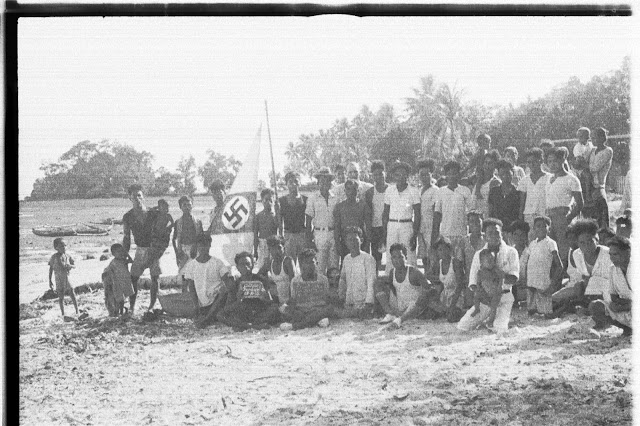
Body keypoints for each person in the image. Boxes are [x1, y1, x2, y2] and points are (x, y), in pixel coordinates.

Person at [457, 218, 519, 334]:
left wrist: (502, 275)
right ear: (485, 236)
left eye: (497, 233)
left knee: (498, 329)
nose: (494, 236)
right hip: (484, 299)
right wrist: (483, 296)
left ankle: (505, 319)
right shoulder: (478, 255)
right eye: (490, 233)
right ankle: (489, 318)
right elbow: (473, 283)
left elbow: (514, 278)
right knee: (463, 326)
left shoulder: (511, 252)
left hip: (503, 297)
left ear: (502, 234)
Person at [551, 219, 612, 312]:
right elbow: (585, 278)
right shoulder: (577, 254)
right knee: (553, 299)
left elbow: (611, 282)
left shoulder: (608, 254)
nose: (586, 246)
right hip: (588, 290)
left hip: (609, 291)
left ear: (597, 240)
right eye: (582, 243)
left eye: (590, 241)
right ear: (578, 243)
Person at [122, 184, 163, 313]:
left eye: (139, 195)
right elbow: (126, 237)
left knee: (155, 277)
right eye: (134, 196)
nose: (137, 198)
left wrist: (159, 250)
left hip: (153, 248)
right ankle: (132, 307)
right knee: (133, 278)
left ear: (143, 196)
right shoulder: (128, 217)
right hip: (140, 249)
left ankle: (151, 305)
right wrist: (124, 255)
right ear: (130, 198)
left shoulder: (153, 213)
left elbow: (163, 232)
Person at [217, 252, 280, 331]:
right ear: (238, 268)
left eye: (247, 264)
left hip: (258, 312)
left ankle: (246, 325)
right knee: (220, 315)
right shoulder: (235, 284)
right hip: (243, 313)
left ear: (252, 265)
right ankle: (252, 326)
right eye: (242, 264)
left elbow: (270, 303)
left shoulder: (261, 280)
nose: (245, 267)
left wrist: (265, 297)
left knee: (275, 308)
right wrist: (238, 300)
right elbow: (227, 307)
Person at [182, 233, 234, 328]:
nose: (203, 248)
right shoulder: (191, 265)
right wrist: (196, 306)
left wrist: (227, 287)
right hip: (204, 304)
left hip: (218, 300)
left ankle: (206, 320)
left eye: (206, 245)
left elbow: (227, 281)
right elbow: (191, 287)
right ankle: (208, 317)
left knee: (223, 293)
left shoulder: (217, 263)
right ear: (197, 246)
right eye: (201, 245)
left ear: (210, 245)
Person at [376, 243, 432, 328]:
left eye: (400, 257)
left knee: (421, 298)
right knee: (378, 283)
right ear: (391, 259)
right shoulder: (392, 272)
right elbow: (392, 287)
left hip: (414, 308)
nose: (397, 260)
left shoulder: (414, 272)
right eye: (394, 257)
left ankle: (399, 320)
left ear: (406, 257)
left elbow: (428, 287)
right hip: (400, 306)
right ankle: (390, 313)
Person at [545, 147, 583, 264]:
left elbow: (580, 203)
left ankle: (565, 275)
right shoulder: (550, 178)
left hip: (563, 217)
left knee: (564, 249)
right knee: (551, 249)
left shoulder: (571, 179)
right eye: (549, 161)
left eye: (555, 161)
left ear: (562, 160)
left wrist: (568, 218)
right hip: (549, 218)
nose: (552, 164)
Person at [279, 249, 333, 331]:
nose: (310, 266)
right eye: (307, 263)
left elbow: (326, 299)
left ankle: (295, 326)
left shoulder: (323, 279)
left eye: (312, 262)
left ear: (316, 263)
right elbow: (293, 300)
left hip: (317, 309)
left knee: (325, 310)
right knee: (290, 311)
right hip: (302, 310)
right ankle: (315, 321)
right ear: (302, 265)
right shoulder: (295, 280)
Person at [382, 161, 421, 273]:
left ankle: (412, 281)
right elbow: (385, 213)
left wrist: (415, 235)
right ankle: (390, 284)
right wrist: (385, 233)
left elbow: (418, 214)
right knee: (391, 256)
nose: (401, 177)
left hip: (407, 225)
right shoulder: (389, 190)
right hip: (392, 225)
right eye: (397, 175)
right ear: (394, 176)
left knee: (409, 256)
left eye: (404, 174)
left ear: (407, 176)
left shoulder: (413, 191)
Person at [588, 236, 631, 336]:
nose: (612, 258)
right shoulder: (612, 269)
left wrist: (624, 306)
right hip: (627, 308)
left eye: (615, 254)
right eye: (610, 255)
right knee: (596, 306)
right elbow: (613, 296)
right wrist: (620, 305)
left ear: (628, 252)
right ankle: (628, 329)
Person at [433, 161, 473, 265]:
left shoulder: (465, 190)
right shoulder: (440, 191)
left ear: (459, 175)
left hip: (461, 234)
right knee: (447, 263)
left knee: (460, 263)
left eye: (455, 173)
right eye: (450, 173)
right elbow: (437, 214)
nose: (452, 176)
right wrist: (435, 235)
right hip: (446, 235)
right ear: (446, 176)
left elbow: (471, 212)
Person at [525, 216, 563, 317]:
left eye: (544, 226)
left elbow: (559, 266)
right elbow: (528, 262)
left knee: (545, 311)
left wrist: (552, 284)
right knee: (531, 310)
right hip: (531, 281)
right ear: (534, 229)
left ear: (549, 229)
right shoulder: (532, 244)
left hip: (543, 281)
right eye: (538, 226)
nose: (541, 228)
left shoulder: (550, 243)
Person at [305, 167, 339, 275]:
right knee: (319, 268)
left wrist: (338, 237)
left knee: (334, 267)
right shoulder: (313, 198)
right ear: (318, 182)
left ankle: (333, 291)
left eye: (327, 180)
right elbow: (308, 219)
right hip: (319, 234)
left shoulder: (336, 198)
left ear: (331, 182)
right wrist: (309, 240)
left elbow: (338, 219)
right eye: (322, 180)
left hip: (333, 233)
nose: (325, 183)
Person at [338, 227, 377, 318]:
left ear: (361, 240)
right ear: (346, 243)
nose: (352, 243)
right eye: (349, 240)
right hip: (350, 303)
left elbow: (371, 282)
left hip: (364, 304)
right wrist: (341, 297)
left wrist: (368, 304)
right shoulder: (346, 258)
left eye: (355, 240)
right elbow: (343, 279)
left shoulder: (368, 258)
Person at [426, 237, 466, 322]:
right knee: (429, 310)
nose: (442, 252)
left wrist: (452, 305)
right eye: (440, 250)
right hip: (445, 295)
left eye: (445, 249)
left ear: (449, 250)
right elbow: (428, 275)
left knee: (452, 317)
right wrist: (437, 281)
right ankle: (446, 311)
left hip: (457, 296)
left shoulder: (455, 263)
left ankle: (457, 311)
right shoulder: (438, 263)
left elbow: (460, 286)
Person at [278, 171, 311, 265]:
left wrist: (309, 236)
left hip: (302, 235)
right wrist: (282, 237)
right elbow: (279, 222)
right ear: (286, 184)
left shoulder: (305, 200)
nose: (294, 184)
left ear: (300, 183)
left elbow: (309, 219)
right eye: (290, 182)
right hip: (289, 235)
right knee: (290, 263)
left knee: (304, 264)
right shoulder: (281, 201)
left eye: (296, 181)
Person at [334, 179, 372, 260]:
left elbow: (368, 226)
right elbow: (336, 227)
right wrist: (337, 244)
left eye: (354, 189)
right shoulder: (339, 207)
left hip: (360, 241)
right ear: (344, 191)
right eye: (348, 189)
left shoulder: (363, 206)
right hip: (345, 242)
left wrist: (367, 244)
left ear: (358, 191)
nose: (351, 192)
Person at [518, 148, 550, 240]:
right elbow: (522, 202)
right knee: (531, 242)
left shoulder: (549, 178)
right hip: (529, 217)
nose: (531, 165)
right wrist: (521, 219)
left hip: (544, 215)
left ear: (541, 161)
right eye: (529, 162)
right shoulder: (524, 180)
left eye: (534, 162)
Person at [173, 195, 204, 292]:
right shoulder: (178, 222)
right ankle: (184, 296)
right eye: (184, 205)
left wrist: (196, 247)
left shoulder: (197, 221)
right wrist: (177, 252)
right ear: (180, 207)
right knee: (184, 277)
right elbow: (174, 239)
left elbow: (201, 238)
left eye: (189, 205)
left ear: (192, 206)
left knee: (196, 277)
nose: (187, 207)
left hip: (195, 251)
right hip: (183, 250)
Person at [364, 160, 389, 271]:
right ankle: (376, 281)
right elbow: (368, 215)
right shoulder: (370, 193)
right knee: (376, 258)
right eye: (375, 174)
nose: (378, 176)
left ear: (385, 173)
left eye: (381, 173)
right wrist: (369, 232)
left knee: (392, 256)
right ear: (372, 176)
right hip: (375, 228)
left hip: (390, 226)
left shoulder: (391, 190)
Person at [258, 234, 296, 305]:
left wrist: (289, 303)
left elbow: (293, 284)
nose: (277, 251)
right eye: (273, 249)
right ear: (270, 250)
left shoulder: (288, 261)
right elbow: (258, 276)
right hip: (276, 301)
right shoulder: (269, 263)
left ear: (283, 248)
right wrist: (267, 283)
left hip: (289, 302)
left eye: (279, 248)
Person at [416, 158, 439, 273]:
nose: (424, 177)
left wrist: (435, 233)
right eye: (421, 175)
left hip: (431, 228)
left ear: (431, 174)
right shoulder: (419, 190)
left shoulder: (435, 191)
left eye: (426, 174)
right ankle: (427, 278)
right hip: (421, 228)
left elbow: (436, 213)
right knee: (424, 256)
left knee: (433, 257)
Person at [588, 127, 613, 228]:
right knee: (590, 218)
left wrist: (585, 166)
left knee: (601, 218)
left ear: (603, 138)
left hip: (598, 187)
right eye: (592, 138)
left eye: (596, 138)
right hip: (589, 186)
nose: (593, 141)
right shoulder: (592, 150)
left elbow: (594, 168)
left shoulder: (607, 151)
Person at [471, 249, 503, 329]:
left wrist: (499, 287)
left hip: (495, 293)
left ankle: (491, 320)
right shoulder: (480, 272)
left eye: (492, 260)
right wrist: (478, 289)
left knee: (493, 306)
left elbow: (501, 278)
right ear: (481, 262)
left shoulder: (496, 270)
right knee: (476, 295)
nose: (491, 263)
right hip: (485, 292)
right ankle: (477, 308)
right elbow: (478, 283)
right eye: (489, 261)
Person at [48, 238, 78, 318]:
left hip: (67, 277)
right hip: (58, 278)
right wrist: (50, 280)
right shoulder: (54, 257)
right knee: (61, 296)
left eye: (65, 246)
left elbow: (74, 265)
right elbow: (51, 268)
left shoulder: (67, 256)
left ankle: (77, 310)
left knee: (72, 292)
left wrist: (70, 266)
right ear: (56, 248)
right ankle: (63, 313)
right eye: (61, 246)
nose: (64, 248)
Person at [102, 243, 135, 316]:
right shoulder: (113, 262)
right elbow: (107, 272)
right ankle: (119, 311)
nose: (120, 253)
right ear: (113, 254)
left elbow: (131, 261)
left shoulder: (124, 260)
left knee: (127, 295)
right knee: (119, 298)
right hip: (117, 282)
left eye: (121, 251)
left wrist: (127, 255)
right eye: (118, 252)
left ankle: (125, 309)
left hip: (125, 281)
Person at [489, 160, 520, 229]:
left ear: (513, 173)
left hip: (512, 229)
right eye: (502, 173)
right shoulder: (494, 191)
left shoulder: (518, 193)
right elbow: (490, 212)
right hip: (496, 228)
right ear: (499, 174)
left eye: (508, 173)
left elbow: (519, 215)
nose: (505, 176)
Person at [144, 199, 174, 271]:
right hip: (155, 237)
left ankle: (148, 263)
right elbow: (148, 211)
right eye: (163, 208)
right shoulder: (156, 214)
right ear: (159, 208)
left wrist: (168, 228)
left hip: (164, 238)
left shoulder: (168, 216)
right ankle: (148, 263)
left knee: (158, 253)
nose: (166, 210)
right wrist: (156, 208)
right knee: (153, 252)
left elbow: (173, 224)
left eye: (167, 208)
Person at [254, 188, 279, 271]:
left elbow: (278, 227)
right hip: (262, 244)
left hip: (273, 243)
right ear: (262, 200)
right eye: (266, 200)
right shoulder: (258, 216)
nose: (268, 202)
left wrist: (277, 211)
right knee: (262, 266)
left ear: (274, 200)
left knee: (272, 264)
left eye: (270, 200)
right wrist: (255, 250)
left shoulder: (275, 216)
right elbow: (255, 234)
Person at [472, 150, 501, 219]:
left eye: (490, 163)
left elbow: (494, 205)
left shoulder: (496, 182)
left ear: (495, 165)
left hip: (488, 218)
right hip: (476, 218)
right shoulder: (478, 181)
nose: (487, 166)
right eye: (486, 162)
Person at [507, 220, 530, 305]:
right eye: (516, 234)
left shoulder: (530, 252)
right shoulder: (508, 253)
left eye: (522, 235)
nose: (519, 238)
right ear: (512, 236)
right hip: (511, 290)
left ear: (526, 236)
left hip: (526, 290)